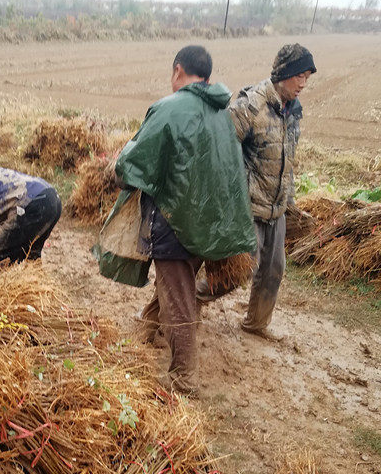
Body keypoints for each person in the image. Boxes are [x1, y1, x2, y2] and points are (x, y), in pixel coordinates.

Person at [109, 45, 256, 394]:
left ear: (178, 71)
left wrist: (118, 170)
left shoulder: (169, 108)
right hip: (209, 226)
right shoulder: (222, 113)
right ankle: (146, 328)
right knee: (178, 282)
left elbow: (132, 165)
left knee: (178, 299)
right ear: (206, 76)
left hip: (175, 223)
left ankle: (183, 378)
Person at [196, 43, 317, 340]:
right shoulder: (251, 106)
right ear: (283, 74)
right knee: (235, 273)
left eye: (307, 77)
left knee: (274, 269)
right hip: (247, 208)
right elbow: (220, 146)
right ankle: (190, 302)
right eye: (298, 76)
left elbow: (285, 160)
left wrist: (288, 203)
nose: (303, 84)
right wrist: (230, 195)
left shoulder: (292, 111)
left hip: (275, 208)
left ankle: (256, 324)